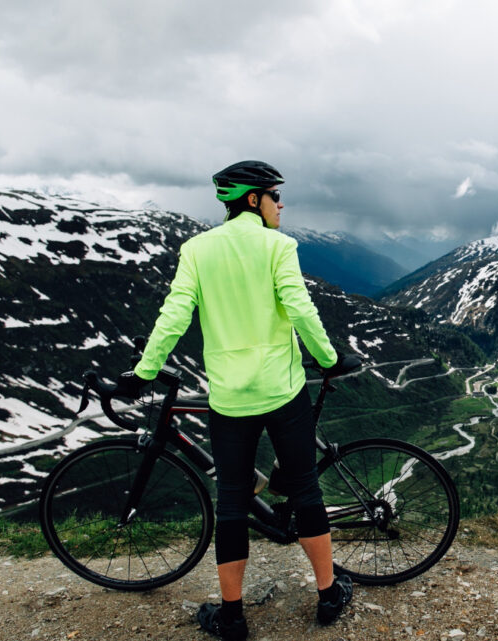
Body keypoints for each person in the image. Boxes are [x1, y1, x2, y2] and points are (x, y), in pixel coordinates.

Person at [116, 160, 354, 640]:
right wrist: (327, 359)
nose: (281, 204)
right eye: (275, 195)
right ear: (253, 200)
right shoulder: (278, 246)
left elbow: (174, 315)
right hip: (283, 392)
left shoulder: (197, 250)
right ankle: (328, 596)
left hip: (230, 399)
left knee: (230, 502)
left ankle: (232, 616)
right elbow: (299, 307)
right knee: (306, 491)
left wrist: (143, 372)